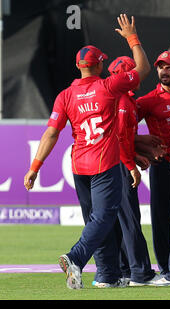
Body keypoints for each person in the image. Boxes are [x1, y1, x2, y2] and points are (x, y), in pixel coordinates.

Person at [23, 14, 153, 289]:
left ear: (78, 66)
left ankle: (106, 275)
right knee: (105, 218)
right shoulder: (109, 86)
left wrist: (35, 167)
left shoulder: (65, 95)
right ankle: (75, 257)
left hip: (78, 165)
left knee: (98, 220)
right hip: (104, 163)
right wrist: (132, 37)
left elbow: (51, 133)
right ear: (101, 64)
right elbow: (143, 69)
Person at [90, 55, 161, 287]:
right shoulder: (120, 101)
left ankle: (123, 270)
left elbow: (126, 137)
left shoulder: (124, 99)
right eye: (134, 72)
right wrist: (131, 165)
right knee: (129, 219)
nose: (139, 76)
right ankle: (140, 273)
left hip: (114, 161)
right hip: (117, 164)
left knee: (120, 219)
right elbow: (118, 138)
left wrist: (138, 148)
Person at [135, 51, 170, 277]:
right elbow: (121, 130)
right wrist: (143, 149)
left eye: (168, 67)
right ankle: (166, 268)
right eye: (160, 67)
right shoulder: (147, 101)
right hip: (162, 166)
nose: (163, 71)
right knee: (161, 219)